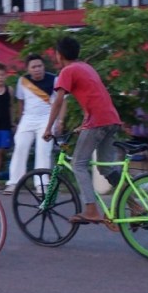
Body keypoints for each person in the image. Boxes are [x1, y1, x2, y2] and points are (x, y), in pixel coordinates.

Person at [42, 36, 125, 226]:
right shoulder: (86, 67)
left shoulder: (67, 71)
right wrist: (84, 124)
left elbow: (58, 101)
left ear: (59, 54)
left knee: (79, 164)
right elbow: (93, 97)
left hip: (97, 122)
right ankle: (135, 204)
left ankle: (91, 209)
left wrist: (48, 128)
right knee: (106, 168)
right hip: (111, 120)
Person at [4, 54, 57, 194]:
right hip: (28, 118)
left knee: (43, 151)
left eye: (40, 66)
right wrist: (20, 120)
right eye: (34, 67)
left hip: (47, 118)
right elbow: (20, 102)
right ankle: (14, 182)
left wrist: (59, 121)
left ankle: (42, 185)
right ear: (28, 69)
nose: (37, 69)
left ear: (44, 66)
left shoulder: (54, 79)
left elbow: (61, 102)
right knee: (20, 147)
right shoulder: (23, 81)